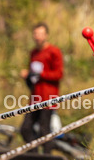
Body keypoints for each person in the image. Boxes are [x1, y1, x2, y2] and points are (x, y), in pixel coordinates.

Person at [20, 22, 64, 150]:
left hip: (48, 98)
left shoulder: (54, 51)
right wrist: (28, 75)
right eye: (35, 34)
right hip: (35, 98)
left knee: (44, 132)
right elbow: (33, 77)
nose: (37, 37)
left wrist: (41, 73)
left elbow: (58, 74)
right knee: (25, 129)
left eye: (40, 34)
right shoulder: (34, 52)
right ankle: (34, 155)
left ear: (46, 35)